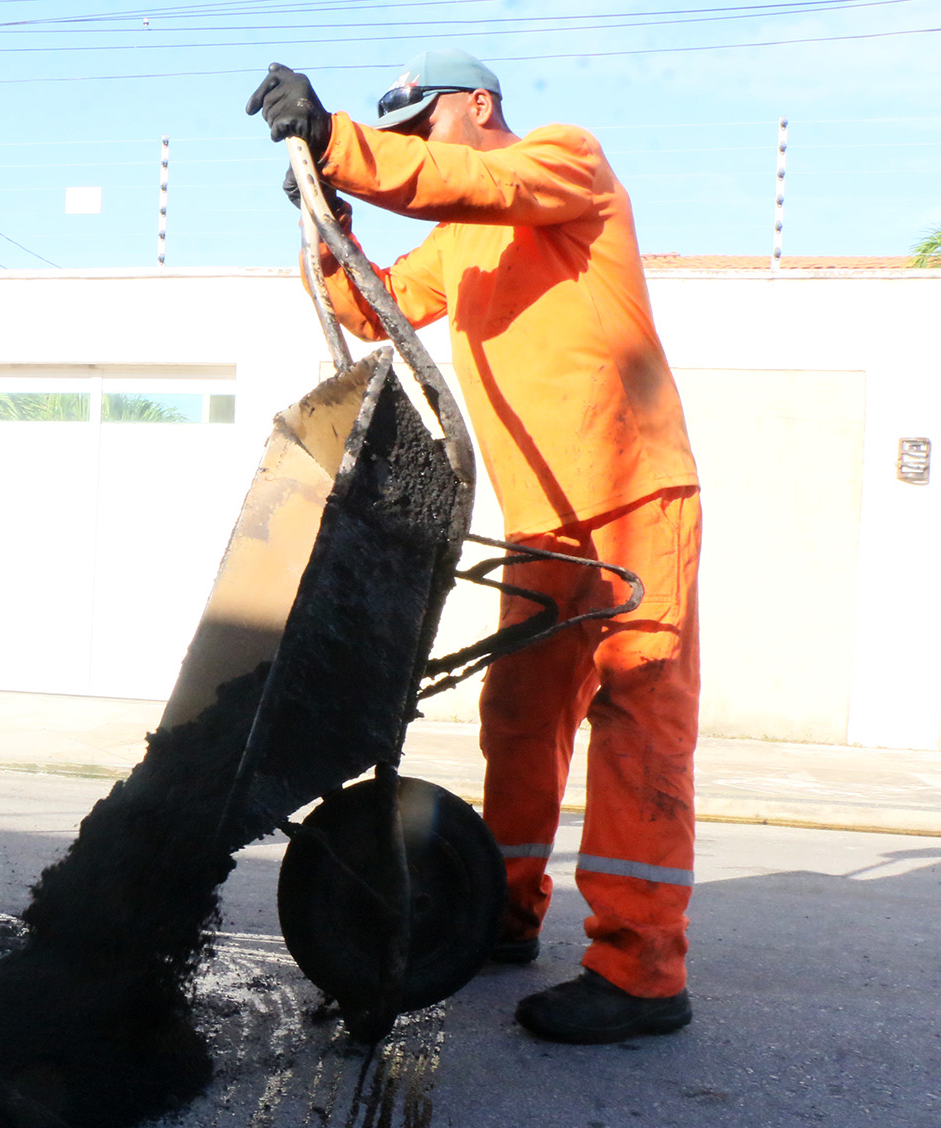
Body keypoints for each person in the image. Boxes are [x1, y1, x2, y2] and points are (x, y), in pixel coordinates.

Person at [246, 49, 702, 1044]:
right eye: (397, 139)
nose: (415, 151)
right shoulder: (461, 244)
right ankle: (500, 910)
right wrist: (331, 217)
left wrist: (344, 144)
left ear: (479, 105)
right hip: (545, 521)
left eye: (422, 129)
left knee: (638, 721)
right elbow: (369, 307)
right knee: (520, 720)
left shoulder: (562, 163)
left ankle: (642, 972)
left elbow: (475, 181)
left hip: (632, 491)